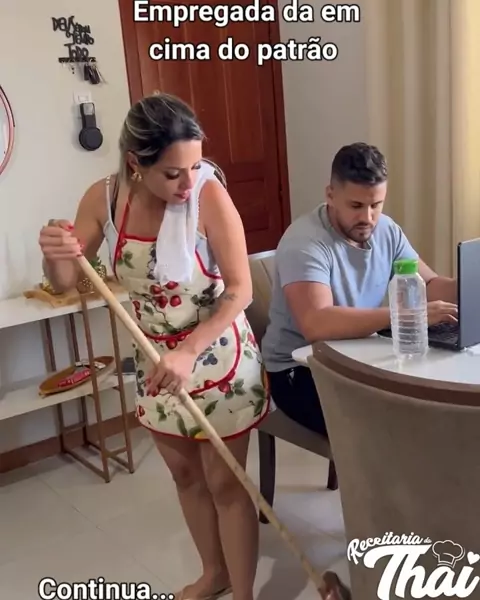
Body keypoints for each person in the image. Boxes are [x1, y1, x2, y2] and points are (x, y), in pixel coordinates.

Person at [38, 93, 270, 600]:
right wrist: (55, 255)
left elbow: (240, 290)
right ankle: (215, 573)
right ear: (134, 165)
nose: (189, 183)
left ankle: (245, 594)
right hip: (155, 359)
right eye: (173, 173)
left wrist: (189, 352)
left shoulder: (208, 196)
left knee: (226, 482)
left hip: (219, 353)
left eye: (195, 166)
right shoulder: (102, 199)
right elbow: (68, 283)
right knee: (185, 475)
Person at [262, 142, 457, 437]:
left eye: (376, 205)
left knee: (432, 408)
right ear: (330, 194)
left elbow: (428, 284)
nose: (367, 217)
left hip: (356, 354)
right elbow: (317, 323)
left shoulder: (387, 230)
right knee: (397, 427)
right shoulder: (305, 243)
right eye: (356, 206)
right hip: (299, 370)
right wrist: (405, 315)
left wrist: (464, 287)